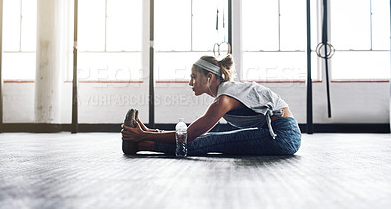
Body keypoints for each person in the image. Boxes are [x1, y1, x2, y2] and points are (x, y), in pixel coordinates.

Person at [121, 54, 301, 156]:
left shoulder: (225, 99)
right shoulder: (226, 94)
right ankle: (145, 139)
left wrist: (142, 134)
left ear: (209, 77)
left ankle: (141, 145)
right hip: (277, 132)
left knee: (211, 141)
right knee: (210, 138)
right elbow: (191, 132)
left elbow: (189, 135)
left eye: (193, 77)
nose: (190, 82)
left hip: (283, 137)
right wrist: (150, 131)